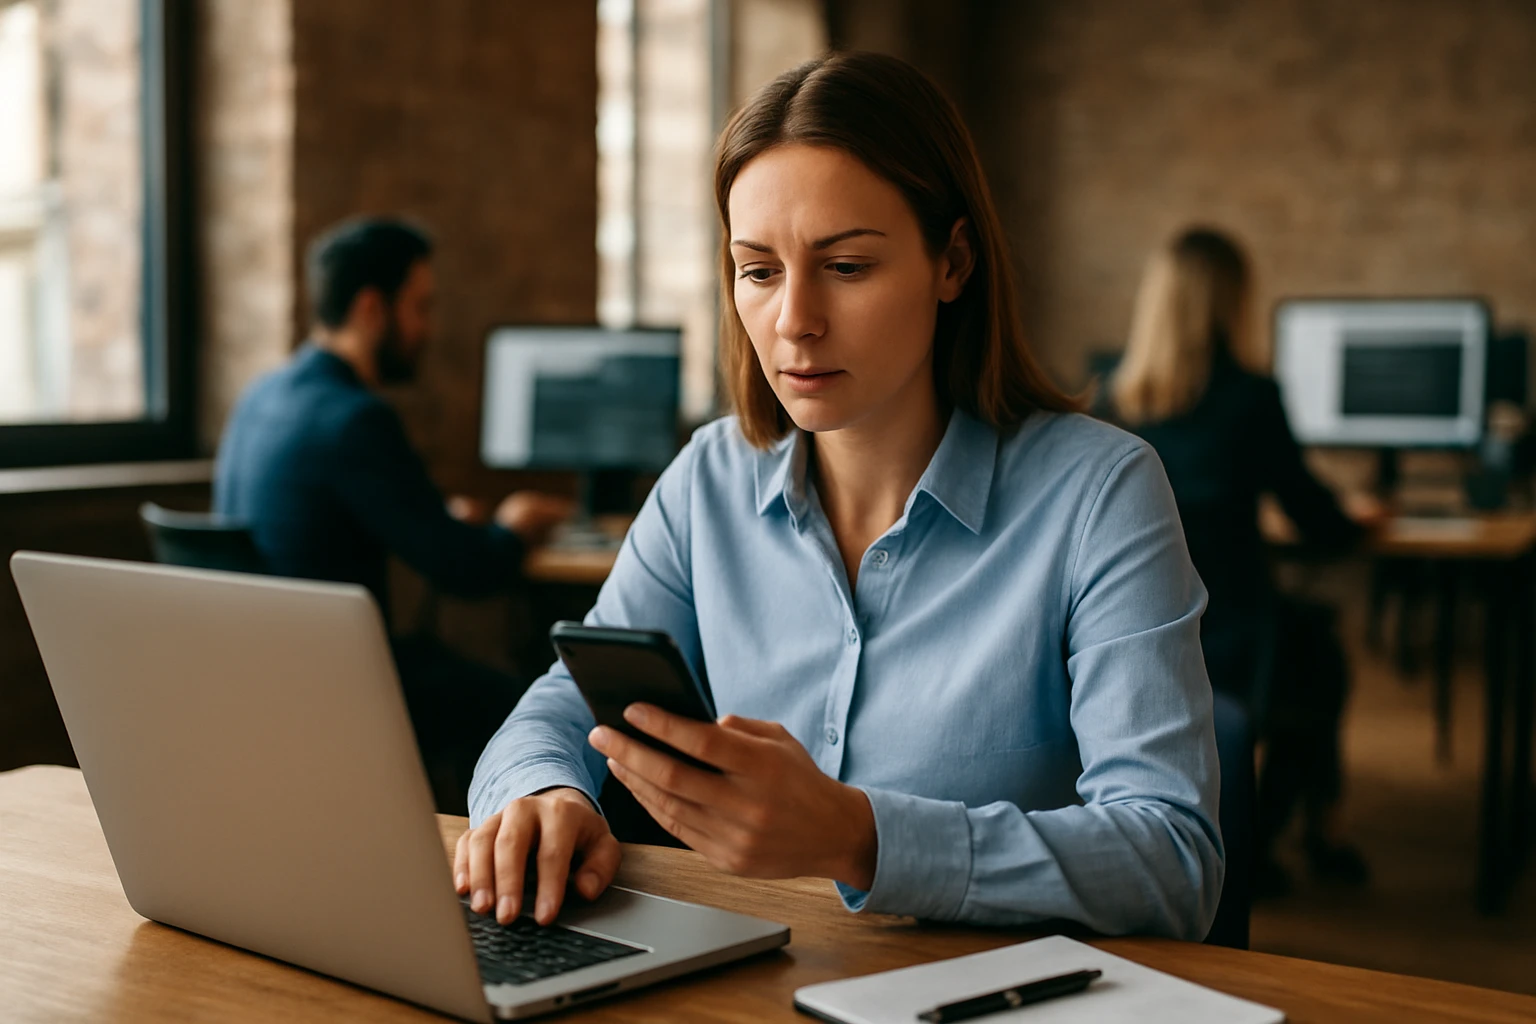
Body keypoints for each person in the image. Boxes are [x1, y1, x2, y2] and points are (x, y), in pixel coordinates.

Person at [458, 52, 1224, 940]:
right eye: (759, 270)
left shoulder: (1101, 493)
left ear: (953, 262)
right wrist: (541, 792)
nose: (794, 321)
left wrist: (860, 837)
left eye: (847, 266)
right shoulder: (710, 478)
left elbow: (1174, 864)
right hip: (751, 983)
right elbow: (566, 699)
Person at [214, 217, 573, 811]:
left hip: (262, 677)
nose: (427, 329)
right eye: (420, 308)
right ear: (371, 308)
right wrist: (516, 523)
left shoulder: (264, 394)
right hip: (344, 685)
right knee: (530, 706)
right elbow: (467, 571)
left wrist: (433, 514)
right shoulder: (357, 418)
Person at [1097, 227, 1378, 895]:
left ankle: (1281, 833)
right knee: (1323, 660)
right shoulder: (1252, 398)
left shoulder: (1114, 403)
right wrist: (1359, 516)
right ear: (1229, 304)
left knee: (1308, 650)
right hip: (1236, 635)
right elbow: (1317, 518)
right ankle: (1282, 833)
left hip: (1137, 631)